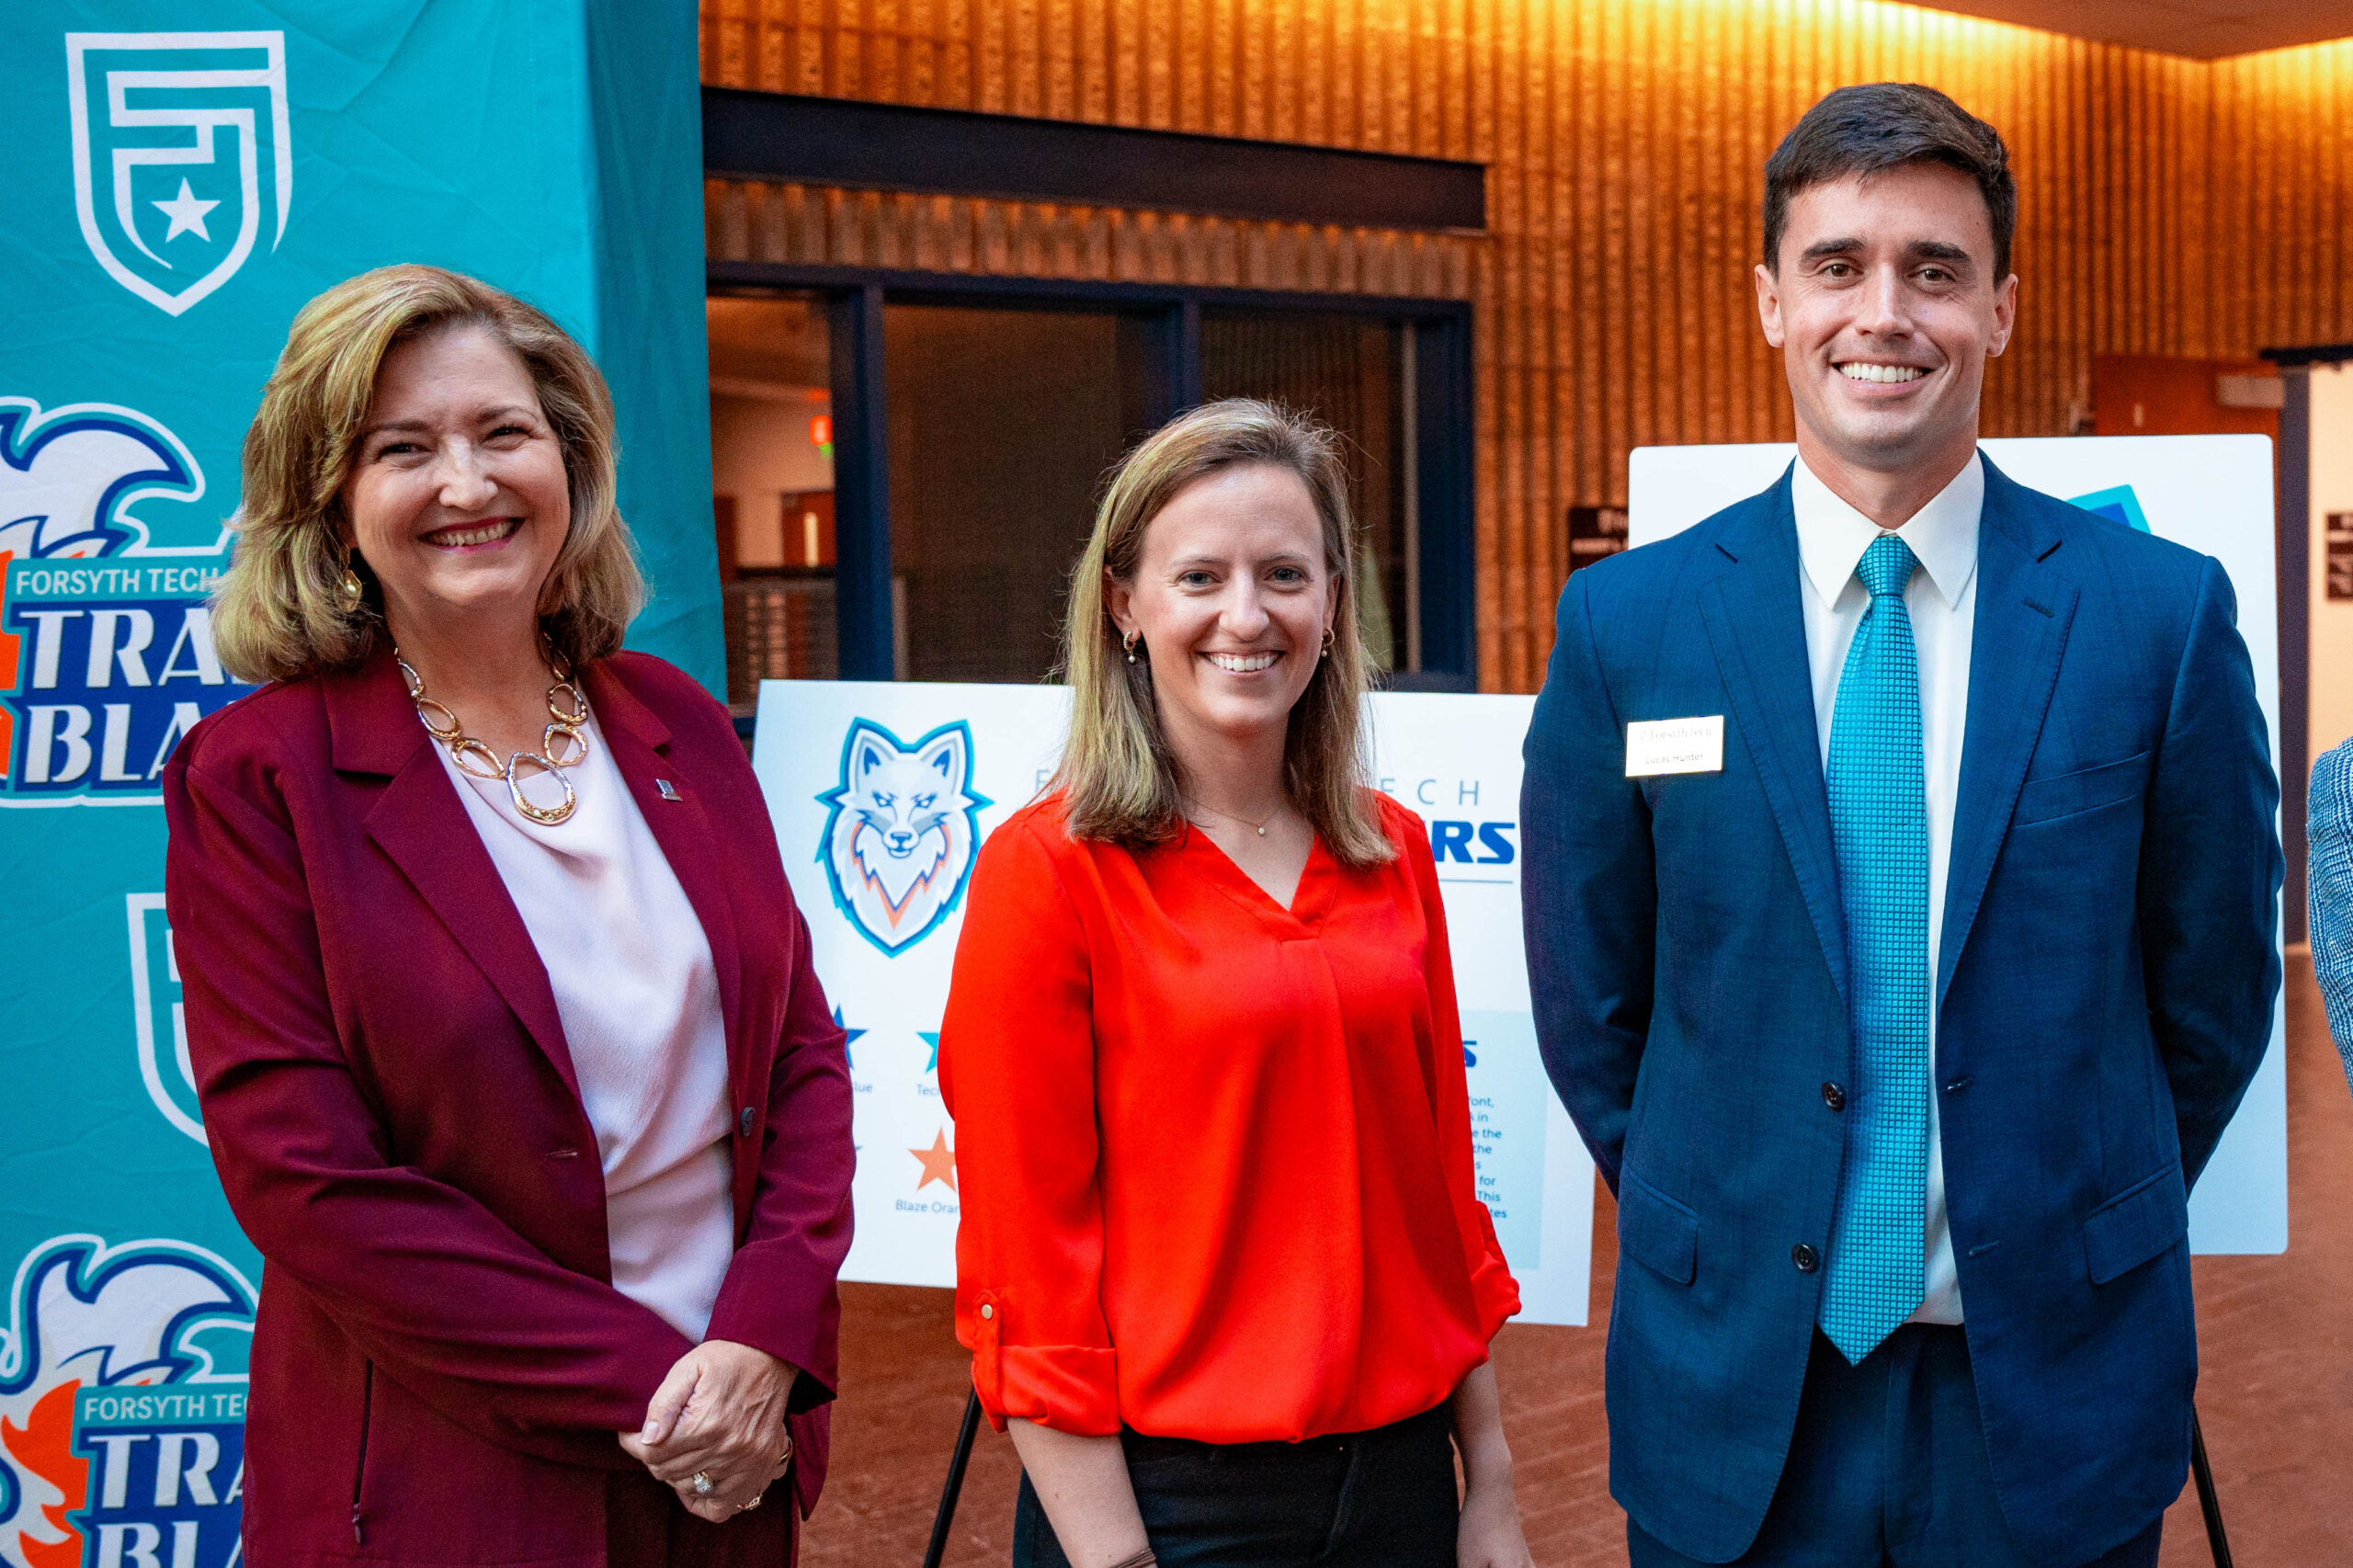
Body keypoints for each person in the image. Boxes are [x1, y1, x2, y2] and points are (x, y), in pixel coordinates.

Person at [1521, 84, 2280, 1568]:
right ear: (1769, 302)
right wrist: (1742, 1204)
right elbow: (1594, 1003)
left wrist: (2051, 1198)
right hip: (1740, 1379)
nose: (1887, 313)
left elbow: (2211, 997)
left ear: (2000, 309)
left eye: (1935, 269)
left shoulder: (2156, 616)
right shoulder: (1628, 624)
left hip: (2049, 1382)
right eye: (1839, 265)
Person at [164, 264, 855, 1563]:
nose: (468, 485)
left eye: (504, 433)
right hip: (450, 1479)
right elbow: (305, 1175)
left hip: (728, 1462)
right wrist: (658, 1388)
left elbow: (803, 1056)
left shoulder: (681, 723)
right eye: (403, 448)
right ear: (333, 500)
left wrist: (764, 1338)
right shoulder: (259, 776)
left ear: (569, 462)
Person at [939, 399, 1530, 1568]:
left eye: (1285, 573)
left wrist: (1492, 1490)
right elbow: (1029, 1269)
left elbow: (1438, 1203)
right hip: (1169, 1511)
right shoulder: (1050, 872)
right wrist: (1115, 1558)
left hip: (1402, 1485)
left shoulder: (1392, 849)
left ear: (1332, 602)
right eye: (1199, 575)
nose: (1246, 615)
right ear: (1126, 605)